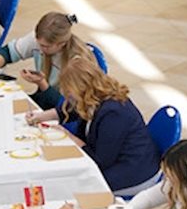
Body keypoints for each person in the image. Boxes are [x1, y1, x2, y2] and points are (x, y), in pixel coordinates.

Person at [27, 57, 160, 198]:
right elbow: (72, 110)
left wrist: (70, 137)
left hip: (134, 174)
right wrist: (41, 116)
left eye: (69, 92)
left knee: (67, 187)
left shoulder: (113, 113)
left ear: (82, 88)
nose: (67, 96)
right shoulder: (95, 98)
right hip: (118, 163)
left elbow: (100, 161)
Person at [0, 12, 90, 110]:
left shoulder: (76, 61)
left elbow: (69, 108)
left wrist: (42, 83)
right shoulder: (40, 39)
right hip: (43, 99)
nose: (40, 48)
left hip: (60, 109)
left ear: (61, 44)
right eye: (39, 43)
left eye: (45, 46)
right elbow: (7, 52)